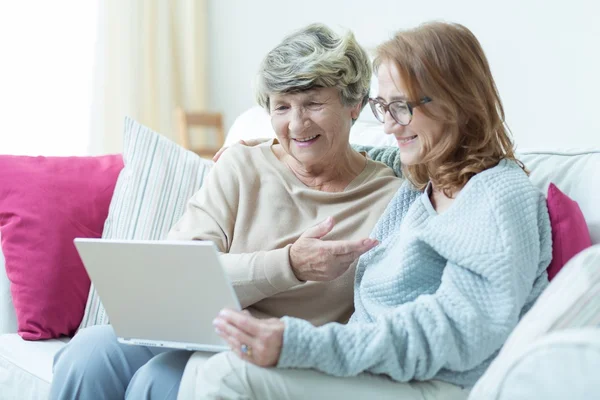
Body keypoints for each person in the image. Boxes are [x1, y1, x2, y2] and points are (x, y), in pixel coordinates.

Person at [179, 21, 553, 399]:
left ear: (456, 104)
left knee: (228, 375)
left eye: (400, 108)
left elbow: (458, 331)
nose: (388, 125)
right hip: (375, 368)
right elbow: (359, 156)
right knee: (200, 367)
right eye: (382, 107)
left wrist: (302, 345)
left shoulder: (497, 196)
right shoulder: (424, 185)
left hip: (438, 383)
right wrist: (273, 150)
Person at [49, 24, 404, 400]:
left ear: (355, 104)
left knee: (160, 380)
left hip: (280, 351)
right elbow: (180, 269)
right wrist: (289, 265)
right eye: (282, 106)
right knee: (87, 354)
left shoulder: (389, 198)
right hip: (201, 326)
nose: (297, 124)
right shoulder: (241, 165)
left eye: (314, 103)